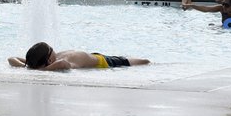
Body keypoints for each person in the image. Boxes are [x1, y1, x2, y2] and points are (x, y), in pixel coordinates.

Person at [8, 41, 149, 70]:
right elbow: (11, 58)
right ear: (49, 58)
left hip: (102, 60)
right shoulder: (59, 61)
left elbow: (11, 59)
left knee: (144, 61)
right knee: (141, 61)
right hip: (104, 62)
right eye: (52, 49)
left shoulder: (56, 60)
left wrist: (31, 68)